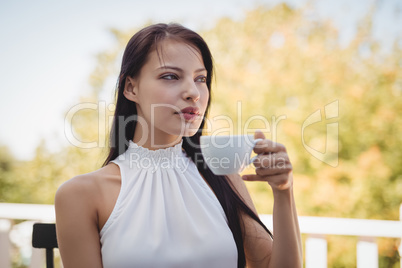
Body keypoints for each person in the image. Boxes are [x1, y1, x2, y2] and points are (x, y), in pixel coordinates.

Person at [55, 23, 302, 268]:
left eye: (200, 78)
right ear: (131, 87)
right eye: (170, 76)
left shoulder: (222, 176)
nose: (193, 92)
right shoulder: (80, 195)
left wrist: (283, 190)